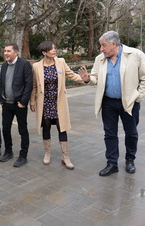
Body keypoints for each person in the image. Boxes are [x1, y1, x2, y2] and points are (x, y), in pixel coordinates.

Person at [79, 31, 145, 176]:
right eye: (101, 46)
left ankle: (130, 160)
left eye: (104, 45)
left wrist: (139, 96)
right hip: (108, 102)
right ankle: (112, 163)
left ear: (114, 44)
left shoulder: (135, 55)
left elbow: (144, 77)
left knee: (131, 133)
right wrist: (87, 79)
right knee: (109, 133)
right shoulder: (100, 59)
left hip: (129, 101)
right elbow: (95, 77)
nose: (101, 49)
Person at [30, 41, 85, 170]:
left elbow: (71, 75)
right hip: (44, 102)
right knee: (46, 127)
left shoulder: (60, 62)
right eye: (51, 49)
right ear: (44, 53)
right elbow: (33, 85)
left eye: (54, 48)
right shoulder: (37, 66)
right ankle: (47, 153)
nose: (54, 51)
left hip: (58, 102)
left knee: (62, 127)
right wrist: (32, 101)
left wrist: (85, 79)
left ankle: (65, 157)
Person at [0, 43, 33, 167]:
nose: (5, 53)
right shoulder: (3, 66)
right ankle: (8, 151)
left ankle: (23, 156)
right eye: (5, 51)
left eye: (8, 51)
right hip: (7, 104)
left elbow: (29, 84)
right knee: (5, 129)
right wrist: (1, 99)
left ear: (16, 52)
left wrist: (23, 102)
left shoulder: (24, 65)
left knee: (22, 130)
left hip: (19, 104)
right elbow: (0, 84)